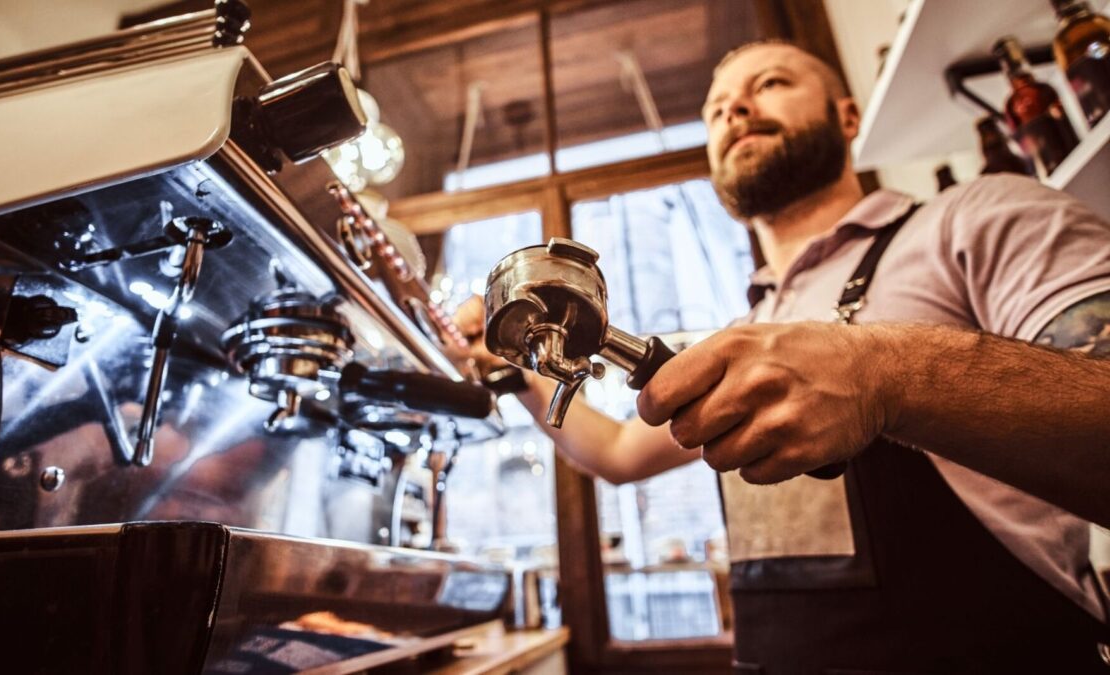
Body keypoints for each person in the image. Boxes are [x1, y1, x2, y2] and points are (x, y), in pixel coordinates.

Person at [456, 39, 1110, 673]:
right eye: (715, 110)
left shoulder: (978, 218)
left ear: (847, 116)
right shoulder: (744, 330)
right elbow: (621, 455)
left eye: (769, 84)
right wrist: (518, 370)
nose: (733, 111)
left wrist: (882, 374)